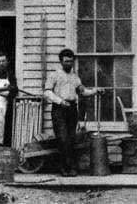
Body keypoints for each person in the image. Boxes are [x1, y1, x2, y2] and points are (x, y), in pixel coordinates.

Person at [44, 48, 102, 177]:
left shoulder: (75, 77)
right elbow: (47, 92)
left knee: (71, 139)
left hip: (71, 109)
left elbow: (82, 91)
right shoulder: (54, 75)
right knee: (63, 139)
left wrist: (95, 91)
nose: (68, 64)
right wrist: (59, 101)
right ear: (61, 61)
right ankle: (64, 168)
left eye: (70, 61)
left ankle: (71, 168)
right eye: (66, 61)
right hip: (59, 109)